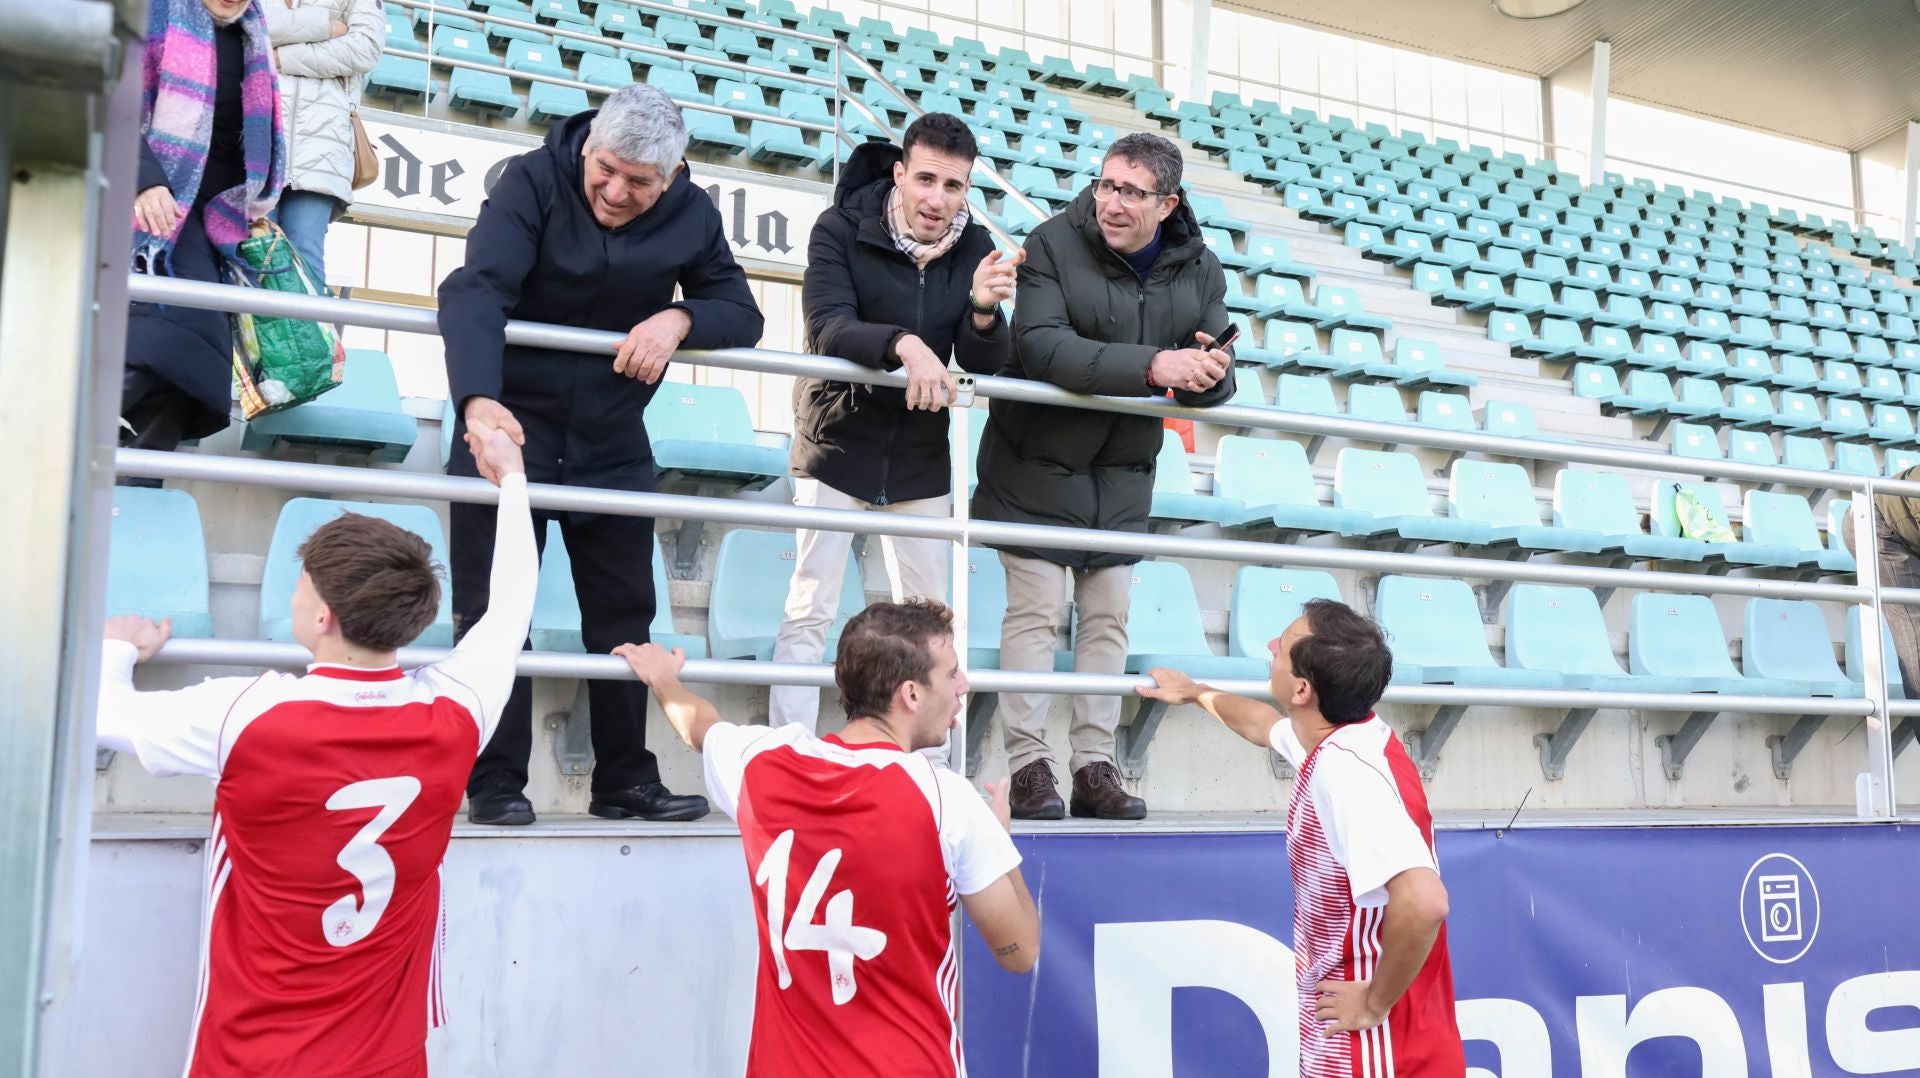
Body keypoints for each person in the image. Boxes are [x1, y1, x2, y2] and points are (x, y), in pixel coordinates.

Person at [94, 421, 536, 1077]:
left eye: (299, 585)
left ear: (323, 615)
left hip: (253, 1058)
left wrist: (117, 648)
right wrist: (513, 480)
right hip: (389, 1061)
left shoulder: (250, 715)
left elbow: (102, 713)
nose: (294, 595)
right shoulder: (456, 714)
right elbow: (510, 612)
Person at [438, 83, 765, 826]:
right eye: (605, 170)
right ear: (588, 148)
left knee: (625, 615)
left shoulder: (694, 213)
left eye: (639, 183)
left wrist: (680, 316)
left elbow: (743, 311)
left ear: (674, 177)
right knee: (495, 609)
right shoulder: (531, 179)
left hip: (611, 437)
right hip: (509, 423)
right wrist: (477, 403)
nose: (615, 191)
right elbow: (476, 290)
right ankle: (494, 782)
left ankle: (625, 780)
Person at [615, 600, 1040, 1077]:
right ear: (911, 695)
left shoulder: (763, 761)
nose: (963, 686)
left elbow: (701, 726)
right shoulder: (946, 800)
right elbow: (1020, 951)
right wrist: (999, 843)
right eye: (952, 674)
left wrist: (663, 679)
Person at [972, 131, 1236, 821]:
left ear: (1167, 202)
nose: (1112, 202)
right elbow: (1043, 347)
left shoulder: (1201, 267)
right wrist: (1155, 365)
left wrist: (1210, 376)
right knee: (1032, 617)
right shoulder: (1053, 243)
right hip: (1032, 464)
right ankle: (1030, 767)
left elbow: (1208, 369)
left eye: (1131, 191)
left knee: (1107, 622)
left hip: (1120, 475)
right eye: (1106, 185)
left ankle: (1095, 767)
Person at [771, 112, 1018, 752]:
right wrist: (903, 343)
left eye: (955, 186)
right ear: (900, 174)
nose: (938, 199)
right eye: (927, 179)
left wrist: (986, 311)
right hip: (836, 440)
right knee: (811, 608)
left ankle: (926, 764)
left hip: (918, 453)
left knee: (931, 622)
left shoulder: (972, 250)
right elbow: (827, 326)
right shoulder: (839, 228)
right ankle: (790, 753)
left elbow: (984, 360)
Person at [1138, 599, 1464, 1075]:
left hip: (1377, 1047)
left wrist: (1373, 1003)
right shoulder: (1348, 736)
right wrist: (1196, 693)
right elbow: (1262, 725)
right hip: (1382, 1034)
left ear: (1302, 690)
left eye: (1282, 647)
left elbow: (1425, 901)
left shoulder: (1345, 774)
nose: (1271, 646)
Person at [123, 0, 286, 471]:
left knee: (197, 362)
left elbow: (247, 145)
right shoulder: (151, 13)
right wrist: (145, 178)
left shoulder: (253, 37)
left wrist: (250, 206)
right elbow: (110, 98)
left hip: (214, 220)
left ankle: (134, 491)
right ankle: (77, 437)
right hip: (151, 205)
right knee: (174, 337)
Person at [264, 0, 384, 285]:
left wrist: (281, 58)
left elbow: (363, 48)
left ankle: (309, 332)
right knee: (253, 251)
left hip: (323, 142)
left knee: (305, 258)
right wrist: (326, 26)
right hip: (260, 133)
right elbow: (248, 28)